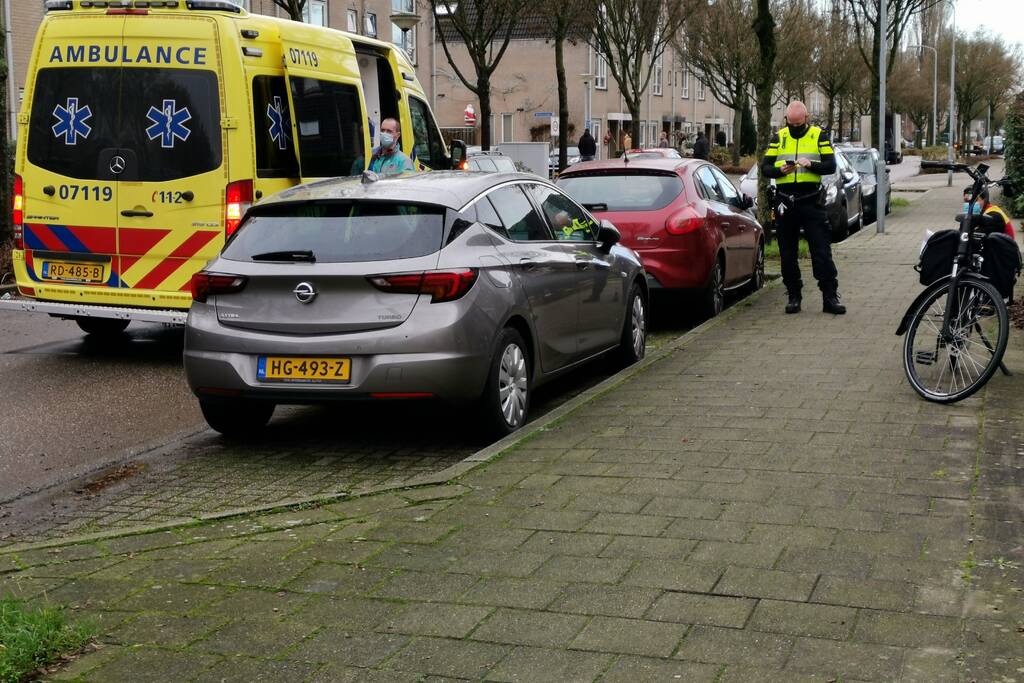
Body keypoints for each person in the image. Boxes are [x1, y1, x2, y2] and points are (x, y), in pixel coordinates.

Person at [760, 100, 845, 315]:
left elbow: (830, 165)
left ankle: (829, 297)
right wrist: (781, 170)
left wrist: (811, 164)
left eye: (798, 124)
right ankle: (793, 296)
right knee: (787, 253)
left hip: (811, 200)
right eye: (791, 123)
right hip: (785, 202)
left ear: (806, 118)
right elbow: (765, 168)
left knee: (821, 251)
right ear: (787, 120)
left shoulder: (819, 135)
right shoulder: (779, 137)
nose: (794, 128)